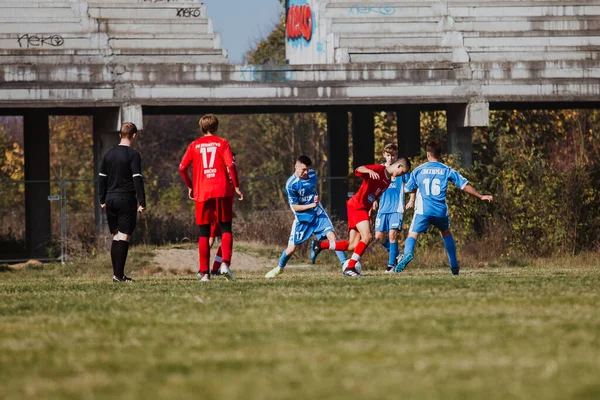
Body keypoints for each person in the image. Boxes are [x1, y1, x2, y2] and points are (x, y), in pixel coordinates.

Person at [395, 140, 493, 275]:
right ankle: (454, 264)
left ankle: (407, 254)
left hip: (423, 211)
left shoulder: (418, 170)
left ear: (428, 154)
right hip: (440, 211)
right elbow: (464, 185)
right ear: (440, 154)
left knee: (413, 234)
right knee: (446, 233)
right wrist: (480, 196)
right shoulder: (446, 170)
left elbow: (408, 188)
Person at [310, 159, 409, 277]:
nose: (401, 175)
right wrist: (368, 171)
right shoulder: (379, 169)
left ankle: (319, 245)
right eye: (402, 172)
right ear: (398, 166)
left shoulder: (387, 181)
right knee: (367, 237)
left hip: (360, 208)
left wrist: (370, 212)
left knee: (352, 245)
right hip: (357, 206)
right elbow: (358, 169)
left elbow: (372, 197)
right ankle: (350, 267)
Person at [179, 114, 243, 281]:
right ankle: (225, 264)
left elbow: (182, 168)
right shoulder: (222, 143)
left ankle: (205, 273)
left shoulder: (194, 145)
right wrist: (236, 186)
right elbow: (230, 165)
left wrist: (190, 186)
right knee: (225, 228)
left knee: (204, 233)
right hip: (222, 190)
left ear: (201, 128)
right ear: (216, 127)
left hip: (202, 192)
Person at [265, 156, 347, 278]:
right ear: (296, 166)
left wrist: (315, 201)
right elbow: (295, 207)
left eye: (308, 169)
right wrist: (310, 204)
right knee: (291, 249)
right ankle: (279, 268)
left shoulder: (312, 175)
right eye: (303, 169)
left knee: (332, 237)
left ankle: (346, 266)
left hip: (318, 214)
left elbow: (312, 189)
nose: (306, 172)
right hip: (303, 219)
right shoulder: (291, 185)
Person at [98, 122, 146, 282]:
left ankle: (117, 274)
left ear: (120, 135)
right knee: (124, 237)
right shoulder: (133, 155)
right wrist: (142, 201)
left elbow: (101, 178)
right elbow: (137, 179)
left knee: (116, 236)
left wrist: (102, 199)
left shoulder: (108, 154)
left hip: (110, 199)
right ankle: (118, 276)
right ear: (134, 135)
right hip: (126, 199)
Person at [372, 144, 415, 272]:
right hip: (383, 209)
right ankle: (397, 255)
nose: (391, 158)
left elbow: (412, 185)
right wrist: (374, 200)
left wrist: (412, 200)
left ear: (397, 155)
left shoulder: (401, 169)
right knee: (379, 236)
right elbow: (373, 186)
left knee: (392, 234)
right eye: (388, 155)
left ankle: (391, 266)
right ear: (384, 155)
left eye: (393, 155)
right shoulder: (380, 169)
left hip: (397, 208)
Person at [210, 152, 236, 276]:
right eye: (231, 161)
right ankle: (203, 269)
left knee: (226, 240)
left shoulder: (231, 177)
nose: (233, 164)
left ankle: (215, 268)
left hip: (226, 210)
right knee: (211, 237)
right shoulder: (220, 176)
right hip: (216, 211)